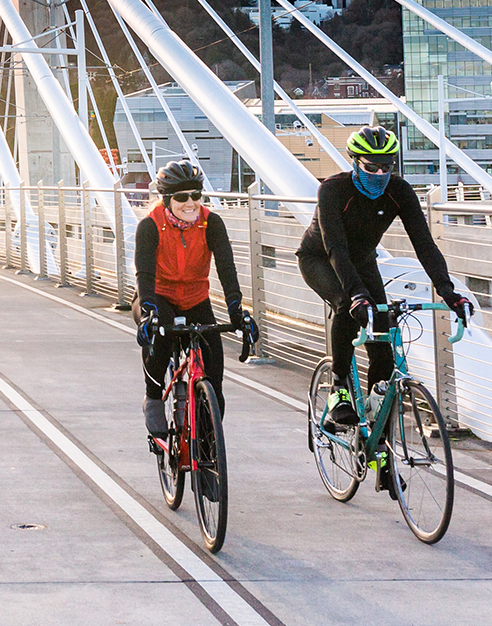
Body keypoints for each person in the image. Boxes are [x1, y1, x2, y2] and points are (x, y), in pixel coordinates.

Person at [297, 126, 472, 446]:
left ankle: (377, 432)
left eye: (386, 167)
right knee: (346, 307)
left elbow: (424, 244)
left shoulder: (399, 191)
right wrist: (356, 295)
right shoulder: (333, 191)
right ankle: (338, 389)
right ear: (354, 162)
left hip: (363, 261)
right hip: (320, 259)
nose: (379, 174)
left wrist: (447, 291)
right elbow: (335, 249)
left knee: (383, 344)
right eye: (370, 167)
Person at [135, 160, 255, 438]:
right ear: (166, 199)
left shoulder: (211, 222)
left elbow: (227, 268)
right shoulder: (150, 226)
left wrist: (237, 308)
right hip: (158, 295)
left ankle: (207, 440)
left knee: (214, 369)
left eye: (196, 195)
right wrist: (148, 310)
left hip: (196, 298)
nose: (190, 203)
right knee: (159, 335)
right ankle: (153, 397)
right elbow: (144, 272)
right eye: (180, 197)